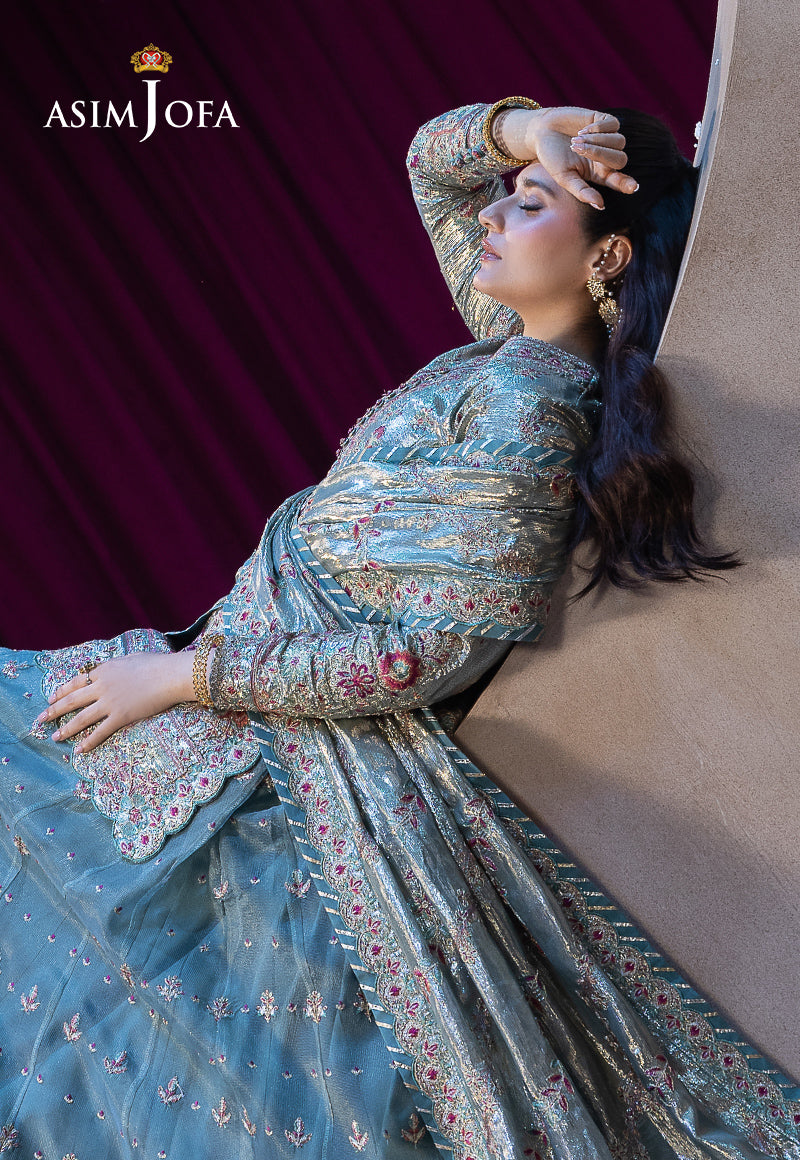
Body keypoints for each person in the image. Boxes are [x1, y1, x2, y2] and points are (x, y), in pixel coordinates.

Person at [0, 98, 793, 1160]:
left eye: (530, 206)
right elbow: (431, 163)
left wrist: (187, 679)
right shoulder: (500, 351)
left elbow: (422, 655)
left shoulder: (529, 408)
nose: (495, 216)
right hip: (246, 706)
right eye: (509, 199)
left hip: (290, 758)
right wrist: (529, 135)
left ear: (604, 258)